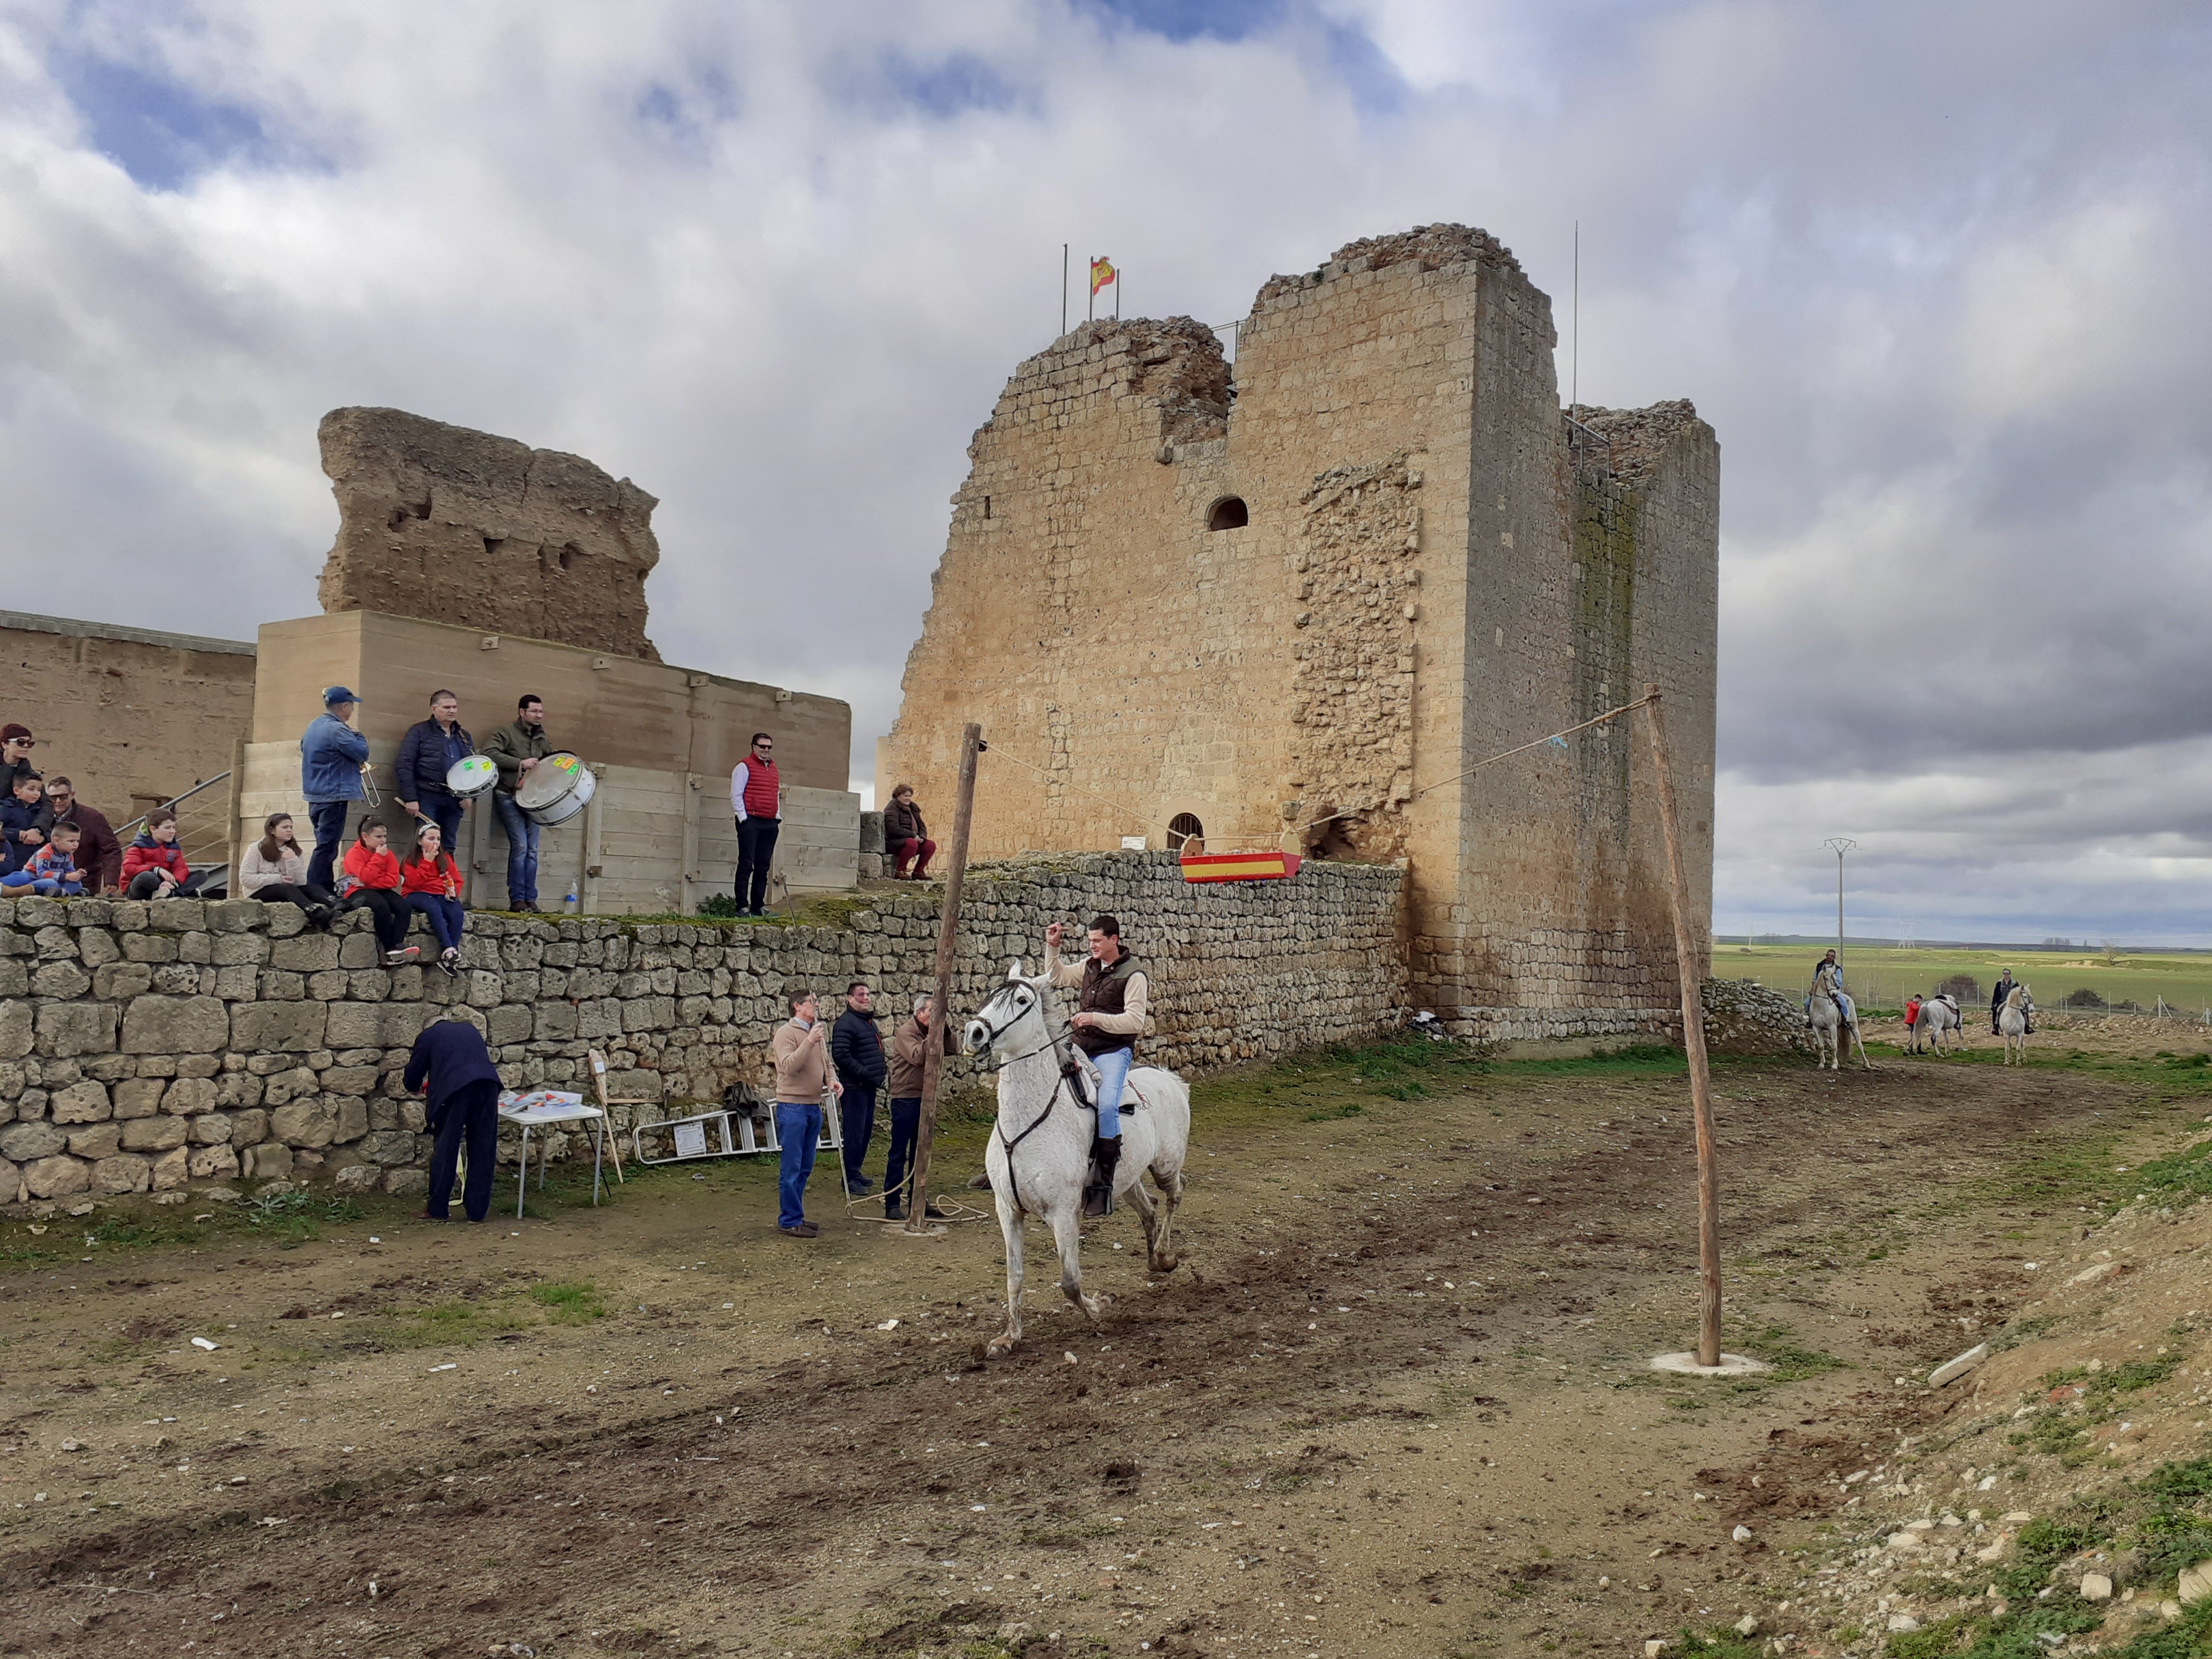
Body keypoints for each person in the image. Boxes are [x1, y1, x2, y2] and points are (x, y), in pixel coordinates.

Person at [1043, 914, 1149, 1213]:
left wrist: (1094, 1018)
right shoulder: (1089, 966)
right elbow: (1056, 977)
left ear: (1114, 940)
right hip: (1079, 1047)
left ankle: (1103, 1185)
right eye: (1090, 941)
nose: (1092, 946)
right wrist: (1053, 947)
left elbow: (1135, 1022)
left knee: (1107, 1106)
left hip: (1113, 1052)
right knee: (1040, 1082)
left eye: (1097, 941)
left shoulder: (1134, 975)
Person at [404, 1010, 504, 1223]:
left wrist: (414, 1088)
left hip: (454, 1092)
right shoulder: (470, 1029)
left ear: (428, 1027)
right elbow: (467, 1062)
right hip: (488, 1085)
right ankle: (477, 1212)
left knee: (446, 1147)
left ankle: (438, 1210)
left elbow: (414, 1074)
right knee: (483, 1147)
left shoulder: (428, 1036)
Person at [768, 990, 841, 1237]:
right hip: (793, 1107)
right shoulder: (786, 1033)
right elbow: (788, 1067)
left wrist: (832, 1080)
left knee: (805, 1166)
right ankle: (789, 1220)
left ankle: (796, 1213)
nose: (817, 1005)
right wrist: (809, 1041)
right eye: (813, 1001)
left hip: (813, 1105)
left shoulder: (817, 1032)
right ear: (797, 1006)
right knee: (792, 1167)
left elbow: (826, 1063)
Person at [883, 992, 954, 1222]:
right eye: (932, 1012)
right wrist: (935, 1032)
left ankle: (919, 1199)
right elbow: (917, 1056)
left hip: (926, 1097)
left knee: (921, 1150)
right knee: (899, 1153)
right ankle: (892, 1203)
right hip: (906, 1098)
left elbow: (953, 1048)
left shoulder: (931, 1030)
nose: (936, 1016)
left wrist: (945, 1031)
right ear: (919, 1012)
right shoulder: (906, 1032)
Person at [483, 694, 553, 911]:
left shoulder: (542, 737)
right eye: (534, 711)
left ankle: (531, 899)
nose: (539, 715)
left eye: (541, 711)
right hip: (508, 794)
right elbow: (489, 753)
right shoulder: (506, 732)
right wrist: (520, 763)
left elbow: (551, 759)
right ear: (522, 712)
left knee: (532, 851)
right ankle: (517, 899)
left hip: (534, 798)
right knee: (521, 847)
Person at [301, 686, 370, 891]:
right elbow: (361, 753)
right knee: (328, 847)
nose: (353, 710)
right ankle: (317, 888)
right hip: (334, 794)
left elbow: (304, 747)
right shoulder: (338, 730)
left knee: (324, 843)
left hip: (315, 794)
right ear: (344, 706)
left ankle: (324, 886)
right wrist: (359, 736)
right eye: (352, 706)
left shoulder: (314, 725)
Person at [395, 689, 477, 856]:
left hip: (455, 799)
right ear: (434, 709)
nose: (452, 711)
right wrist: (411, 798)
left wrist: (470, 795)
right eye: (447, 707)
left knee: (449, 845)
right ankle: (424, 873)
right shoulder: (419, 731)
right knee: (427, 841)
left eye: (454, 707)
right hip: (428, 795)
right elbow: (405, 764)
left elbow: (472, 768)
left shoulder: (464, 736)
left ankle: (446, 874)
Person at [339, 817, 419, 966]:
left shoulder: (388, 854)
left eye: (385, 836)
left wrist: (368, 882)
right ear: (365, 836)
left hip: (375, 888)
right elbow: (365, 875)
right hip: (357, 891)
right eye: (378, 837)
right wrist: (378, 858)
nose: (383, 840)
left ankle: (397, 944)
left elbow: (392, 881)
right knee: (381, 906)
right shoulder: (354, 854)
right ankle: (389, 949)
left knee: (404, 906)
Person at [830, 981, 886, 1195]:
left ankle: (856, 1170)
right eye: (861, 995)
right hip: (855, 1088)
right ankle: (850, 1178)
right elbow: (841, 1055)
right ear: (850, 999)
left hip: (869, 1087)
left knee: (865, 1133)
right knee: (854, 1134)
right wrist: (864, 1073)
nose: (866, 998)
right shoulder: (846, 1024)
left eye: (868, 994)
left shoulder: (868, 1022)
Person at [237, 811, 335, 926]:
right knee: (286, 889)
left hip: (288, 891)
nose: (289, 830)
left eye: (291, 827)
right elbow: (246, 878)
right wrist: (278, 879)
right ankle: (315, 913)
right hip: (258, 892)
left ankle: (337, 903)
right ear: (272, 830)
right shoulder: (256, 849)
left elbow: (300, 882)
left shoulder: (295, 850)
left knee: (313, 888)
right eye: (285, 827)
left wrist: (292, 860)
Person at [400, 820, 467, 977]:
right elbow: (413, 883)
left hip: (441, 894)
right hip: (416, 894)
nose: (435, 842)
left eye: (438, 839)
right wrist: (427, 862)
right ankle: (448, 948)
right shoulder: (411, 860)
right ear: (420, 841)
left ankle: (451, 954)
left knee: (457, 912)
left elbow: (457, 879)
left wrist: (453, 892)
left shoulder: (445, 858)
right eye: (431, 839)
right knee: (434, 909)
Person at [731, 731, 781, 917]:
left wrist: (777, 816)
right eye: (763, 746)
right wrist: (743, 819)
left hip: (769, 823)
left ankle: (758, 905)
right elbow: (736, 794)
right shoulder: (744, 766)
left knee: (763, 866)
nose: (766, 750)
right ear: (754, 747)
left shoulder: (773, 768)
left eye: (769, 747)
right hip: (751, 821)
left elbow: (775, 794)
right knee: (746, 864)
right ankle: (742, 906)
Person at [44, 779, 120, 893]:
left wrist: (111, 879)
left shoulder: (92, 818)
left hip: (84, 882)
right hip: (47, 880)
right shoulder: (40, 818)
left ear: (72, 795)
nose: (58, 801)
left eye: (63, 797)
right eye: (53, 798)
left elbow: (111, 848)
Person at [119, 809, 192, 898]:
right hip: (140, 887)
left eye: (174, 827)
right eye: (168, 828)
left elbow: (181, 868)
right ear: (153, 829)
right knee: (146, 877)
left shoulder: (174, 847)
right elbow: (129, 869)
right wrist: (155, 870)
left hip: (165, 883)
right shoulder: (138, 846)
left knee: (201, 875)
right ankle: (180, 892)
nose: (173, 831)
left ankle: (170, 892)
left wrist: (174, 883)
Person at [1, 820, 86, 895]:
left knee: (77, 884)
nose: (76, 844)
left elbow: (69, 870)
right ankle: (61, 892)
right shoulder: (46, 853)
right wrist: (65, 877)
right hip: (35, 880)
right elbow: (42, 874)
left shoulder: (69, 854)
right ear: (57, 841)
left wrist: (76, 875)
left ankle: (63, 893)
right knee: (50, 883)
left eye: (78, 841)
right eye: (71, 841)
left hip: (56, 879)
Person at [883, 783, 936, 880]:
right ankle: (900, 871)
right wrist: (913, 835)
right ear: (898, 796)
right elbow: (894, 829)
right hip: (894, 843)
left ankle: (918, 872)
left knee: (930, 845)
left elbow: (921, 826)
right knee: (911, 843)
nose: (908, 798)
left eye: (909, 796)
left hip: (912, 839)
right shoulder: (892, 808)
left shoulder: (913, 808)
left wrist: (922, 837)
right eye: (905, 796)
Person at [0, 770, 47, 876]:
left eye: (39, 790)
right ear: (17, 790)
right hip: (12, 862)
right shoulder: (6, 808)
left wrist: (43, 837)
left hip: (35, 863)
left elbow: (51, 830)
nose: (36, 794)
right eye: (31, 789)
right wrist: (18, 834)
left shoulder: (40, 811)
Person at [0, 724, 37, 800]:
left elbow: (44, 801)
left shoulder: (27, 770)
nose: (26, 746)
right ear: (5, 745)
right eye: (21, 742)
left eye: (29, 743)